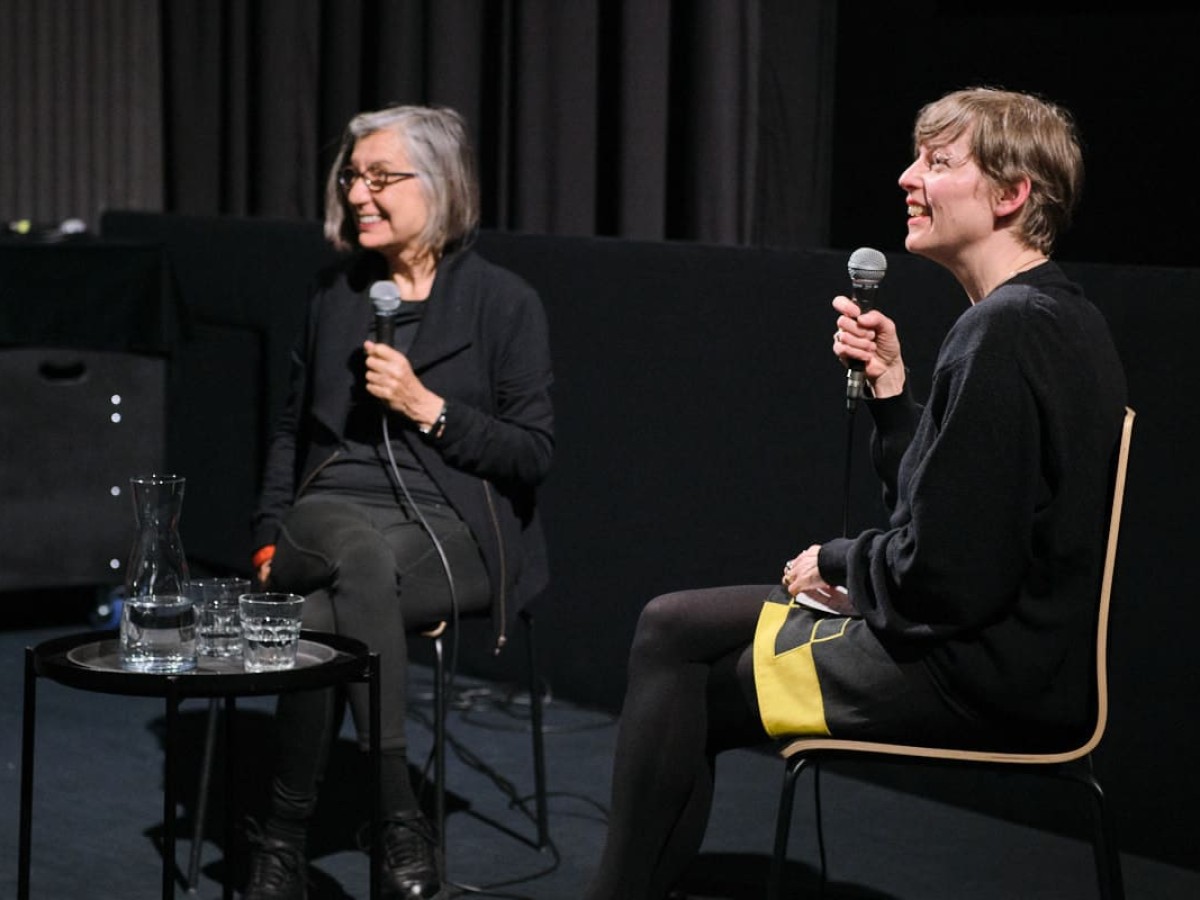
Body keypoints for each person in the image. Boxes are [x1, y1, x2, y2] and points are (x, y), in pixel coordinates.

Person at [583, 86, 1127, 899]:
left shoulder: (1006, 330)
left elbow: (945, 570)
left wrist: (836, 562)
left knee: (684, 666)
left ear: (1012, 195)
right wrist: (892, 392)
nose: (909, 177)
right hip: (996, 647)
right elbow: (950, 515)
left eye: (939, 163)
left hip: (974, 672)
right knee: (672, 626)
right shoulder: (1049, 313)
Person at [244, 105, 554, 900]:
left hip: (448, 528)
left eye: (382, 177)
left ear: (441, 184)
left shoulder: (504, 302)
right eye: (352, 176)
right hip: (327, 510)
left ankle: (278, 836)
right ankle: (398, 817)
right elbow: (287, 431)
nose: (358, 193)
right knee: (354, 553)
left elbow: (532, 454)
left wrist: (429, 408)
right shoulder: (331, 296)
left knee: (323, 613)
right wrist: (265, 538)